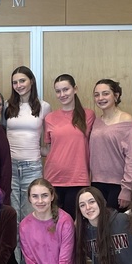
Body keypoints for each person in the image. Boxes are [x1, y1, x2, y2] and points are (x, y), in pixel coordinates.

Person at [43, 73, 95, 217]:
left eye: (66, 89)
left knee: (75, 224)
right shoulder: (50, 118)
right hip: (53, 178)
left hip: (78, 178)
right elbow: (48, 149)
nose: (62, 94)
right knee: (54, 224)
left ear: (75, 89)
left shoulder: (88, 115)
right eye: (58, 91)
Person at [5, 66, 50, 223]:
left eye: (22, 80)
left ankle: (29, 248)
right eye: (14, 82)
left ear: (31, 81)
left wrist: (43, 150)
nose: (19, 85)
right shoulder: (7, 106)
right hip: (10, 165)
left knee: (32, 213)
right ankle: (15, 249)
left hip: (32, 166)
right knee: (12, 213)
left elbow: (50, 138)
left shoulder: (44, 106)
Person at [89, 78, 132, 210]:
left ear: (116, 95)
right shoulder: (96, 122)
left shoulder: (126, 120)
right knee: (99, 226)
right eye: (96, 94)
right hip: (96, 183)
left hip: (118, 185)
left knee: (116, 227)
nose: (100, 98)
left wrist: (127, 189)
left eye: (105, 93)